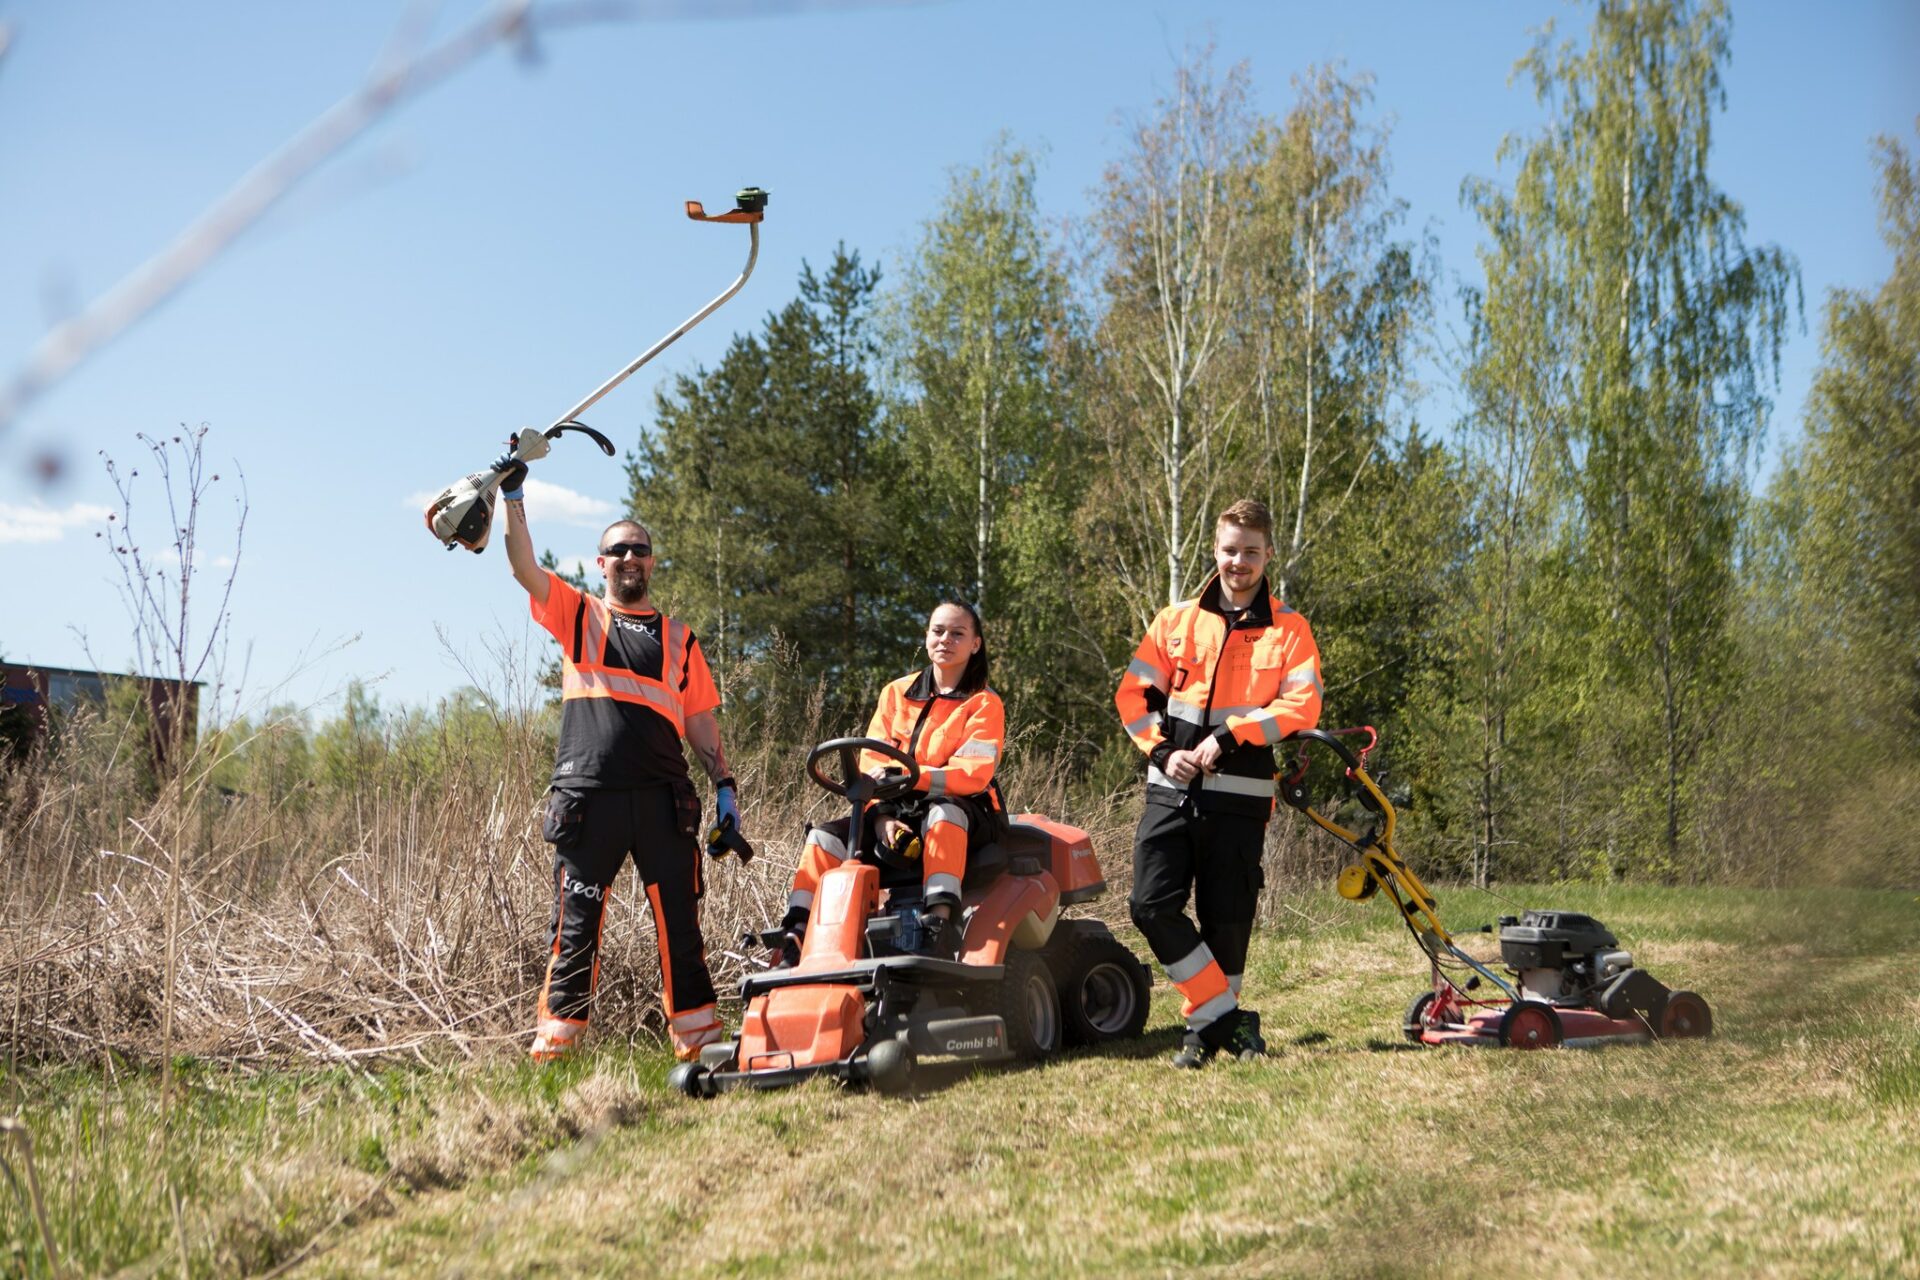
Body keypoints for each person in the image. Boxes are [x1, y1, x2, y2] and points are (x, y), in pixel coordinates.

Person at [499, 458, 737, 1063]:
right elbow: (525, 567)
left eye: (640, 549)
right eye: (618, 550)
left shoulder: (681, 638)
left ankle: (701, 1046)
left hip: (664, 802)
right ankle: (555, 1053)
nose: (630, 558)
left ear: (652, 562)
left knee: (681, 930)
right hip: (588, 801)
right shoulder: (580, 614)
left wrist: (726, 787)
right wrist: (514, 496)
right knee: (575, 930)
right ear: (601, 563)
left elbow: (700, 721)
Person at [1114, 499, 1322, 1069]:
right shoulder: (1173, 621)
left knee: (1227, 920)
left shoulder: (1290, 630)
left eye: (1251, 552)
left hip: (1242, 798)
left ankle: (1202, 1034)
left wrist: (1229, 738)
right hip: (1170, 791)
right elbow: (1132, 698)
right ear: (1215, 550)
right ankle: (1227, 1020)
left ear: (1268, 555)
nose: (1239, 562)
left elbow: (1302, 705)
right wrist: (1162, 750)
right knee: (1150, 906)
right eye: (1230, 550)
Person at [779, 602, 1005, 959]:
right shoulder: (895, 693)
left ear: (975, 644)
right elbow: (872, 764)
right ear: (927, 636)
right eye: (938, 631)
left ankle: (939, 925)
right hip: (895, 808)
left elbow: (972, 774)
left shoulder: (983, 703)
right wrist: (882, 816)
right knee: (824, 837)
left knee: (943, 815)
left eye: (957, 633)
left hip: (966, 810)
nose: (945, 639)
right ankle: (795, 935)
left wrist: (910, 777)